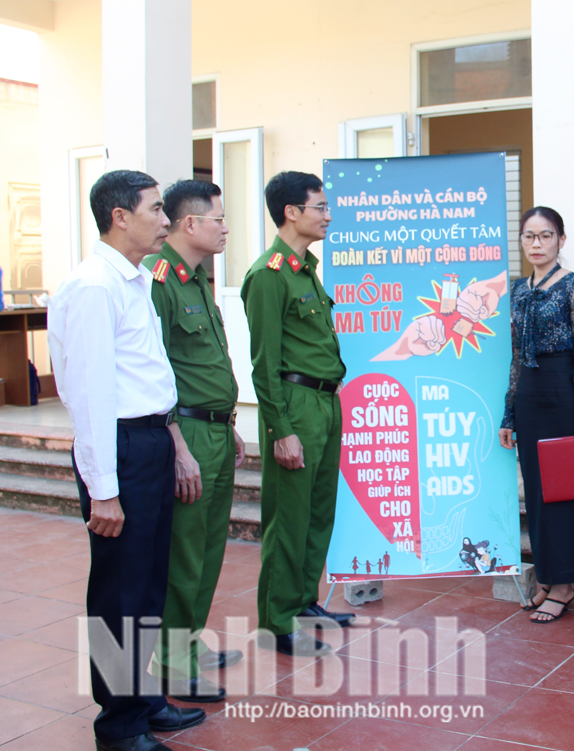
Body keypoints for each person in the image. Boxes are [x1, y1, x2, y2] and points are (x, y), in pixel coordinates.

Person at [48, 170, 206, 751]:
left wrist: (173, 444)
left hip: (149, 441)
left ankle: (142, 700)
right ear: (120, 216)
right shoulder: (94, 286)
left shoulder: (134, 279)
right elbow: (90, 395)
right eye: (156, 209)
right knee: (120, 592)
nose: (166, 220)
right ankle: (119, 727)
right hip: (119, 447)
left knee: (146, 586)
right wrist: (104, 490)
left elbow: (147, 377)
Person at [242, 171, 354, 657]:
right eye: (320, 207)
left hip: (326, 402)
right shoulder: (268, 275)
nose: (327, 215)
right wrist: (280, 429)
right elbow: (263, 365)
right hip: (296, 405)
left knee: (318, 512)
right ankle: (276, 621)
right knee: (287, 519)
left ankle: (305, 600)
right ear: (291, 212)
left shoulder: (304, 268)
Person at [145, 180, 247, 702]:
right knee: (184, 552)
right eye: (218, 219)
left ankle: (189, 642)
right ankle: (171, 661)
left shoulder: (198, 278)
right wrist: (179, 444)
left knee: (208, 547)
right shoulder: (159, 280)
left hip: (215, 428)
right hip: (185, 433)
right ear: (190, 223)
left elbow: (206, 363)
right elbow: (154, 371)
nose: (226, 228)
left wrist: (228, 424)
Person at [498, 206, 574, 623]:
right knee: (537, 494)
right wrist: (509, 413)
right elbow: (516, 356)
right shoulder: (518, 290)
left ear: (561, 240)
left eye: (545, 235)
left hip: (562, 392)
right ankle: (547, 577)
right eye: (529, 236)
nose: (536, 244)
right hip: (529, 395)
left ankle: (564, 585)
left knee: (564, 490)